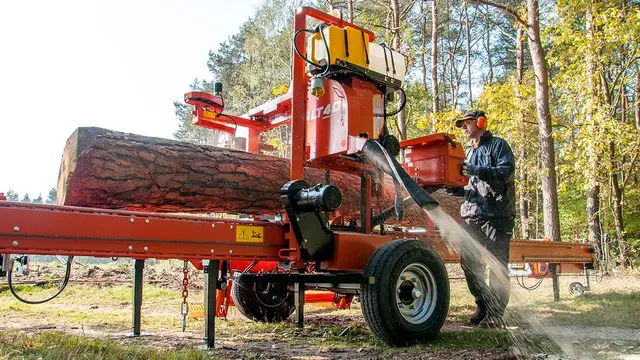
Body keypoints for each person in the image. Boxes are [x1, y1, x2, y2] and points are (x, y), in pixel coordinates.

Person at [454, 110, 516, 328]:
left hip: (497, 216)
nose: (463, 128)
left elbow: (504, 173)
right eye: (461, 125)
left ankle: (496, 313)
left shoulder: (499, 146)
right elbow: (468, 185)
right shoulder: (468, 154)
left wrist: (475, 170)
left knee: (498, 265)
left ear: (480, 122)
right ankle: (483, 305)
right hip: (472, 216)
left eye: (466, 123)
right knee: (469, 262)